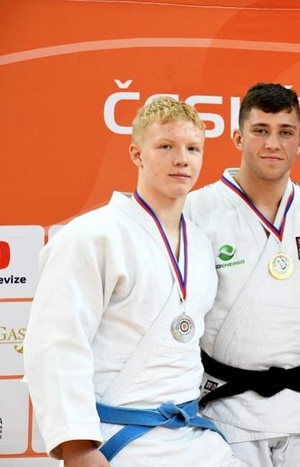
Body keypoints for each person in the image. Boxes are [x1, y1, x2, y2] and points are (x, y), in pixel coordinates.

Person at [23, 97, 246, 467]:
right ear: (137, 154)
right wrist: (78, 447)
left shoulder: (200, 244)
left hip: (192, 436)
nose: (182, 159)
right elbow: (56, 342)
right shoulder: (92, 236)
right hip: (119, 439)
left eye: (192, 148)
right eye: (166, 147)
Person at [184, 83, 300, 467]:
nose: (273, 143)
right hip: (227, 406)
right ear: (238, 137)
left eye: (285, 132)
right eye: (260, 131)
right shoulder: (195, 210)